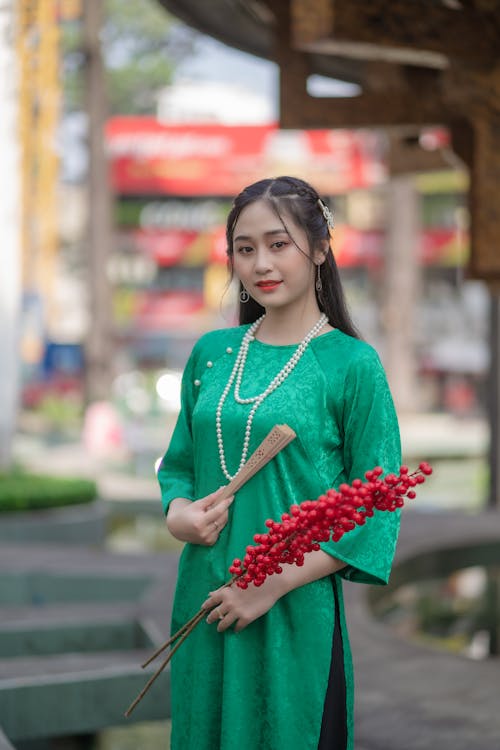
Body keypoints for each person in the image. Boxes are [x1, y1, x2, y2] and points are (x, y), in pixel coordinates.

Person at [158, 176, 401, 750]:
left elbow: (377, 502)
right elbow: (180, 466)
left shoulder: (351, 364)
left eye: (278, 243)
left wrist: (269, 586)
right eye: (245, 249)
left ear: (319, 249)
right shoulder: (211, 354)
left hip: (292, 609)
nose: (260, 263)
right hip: (205, 595)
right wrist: (177, 514)